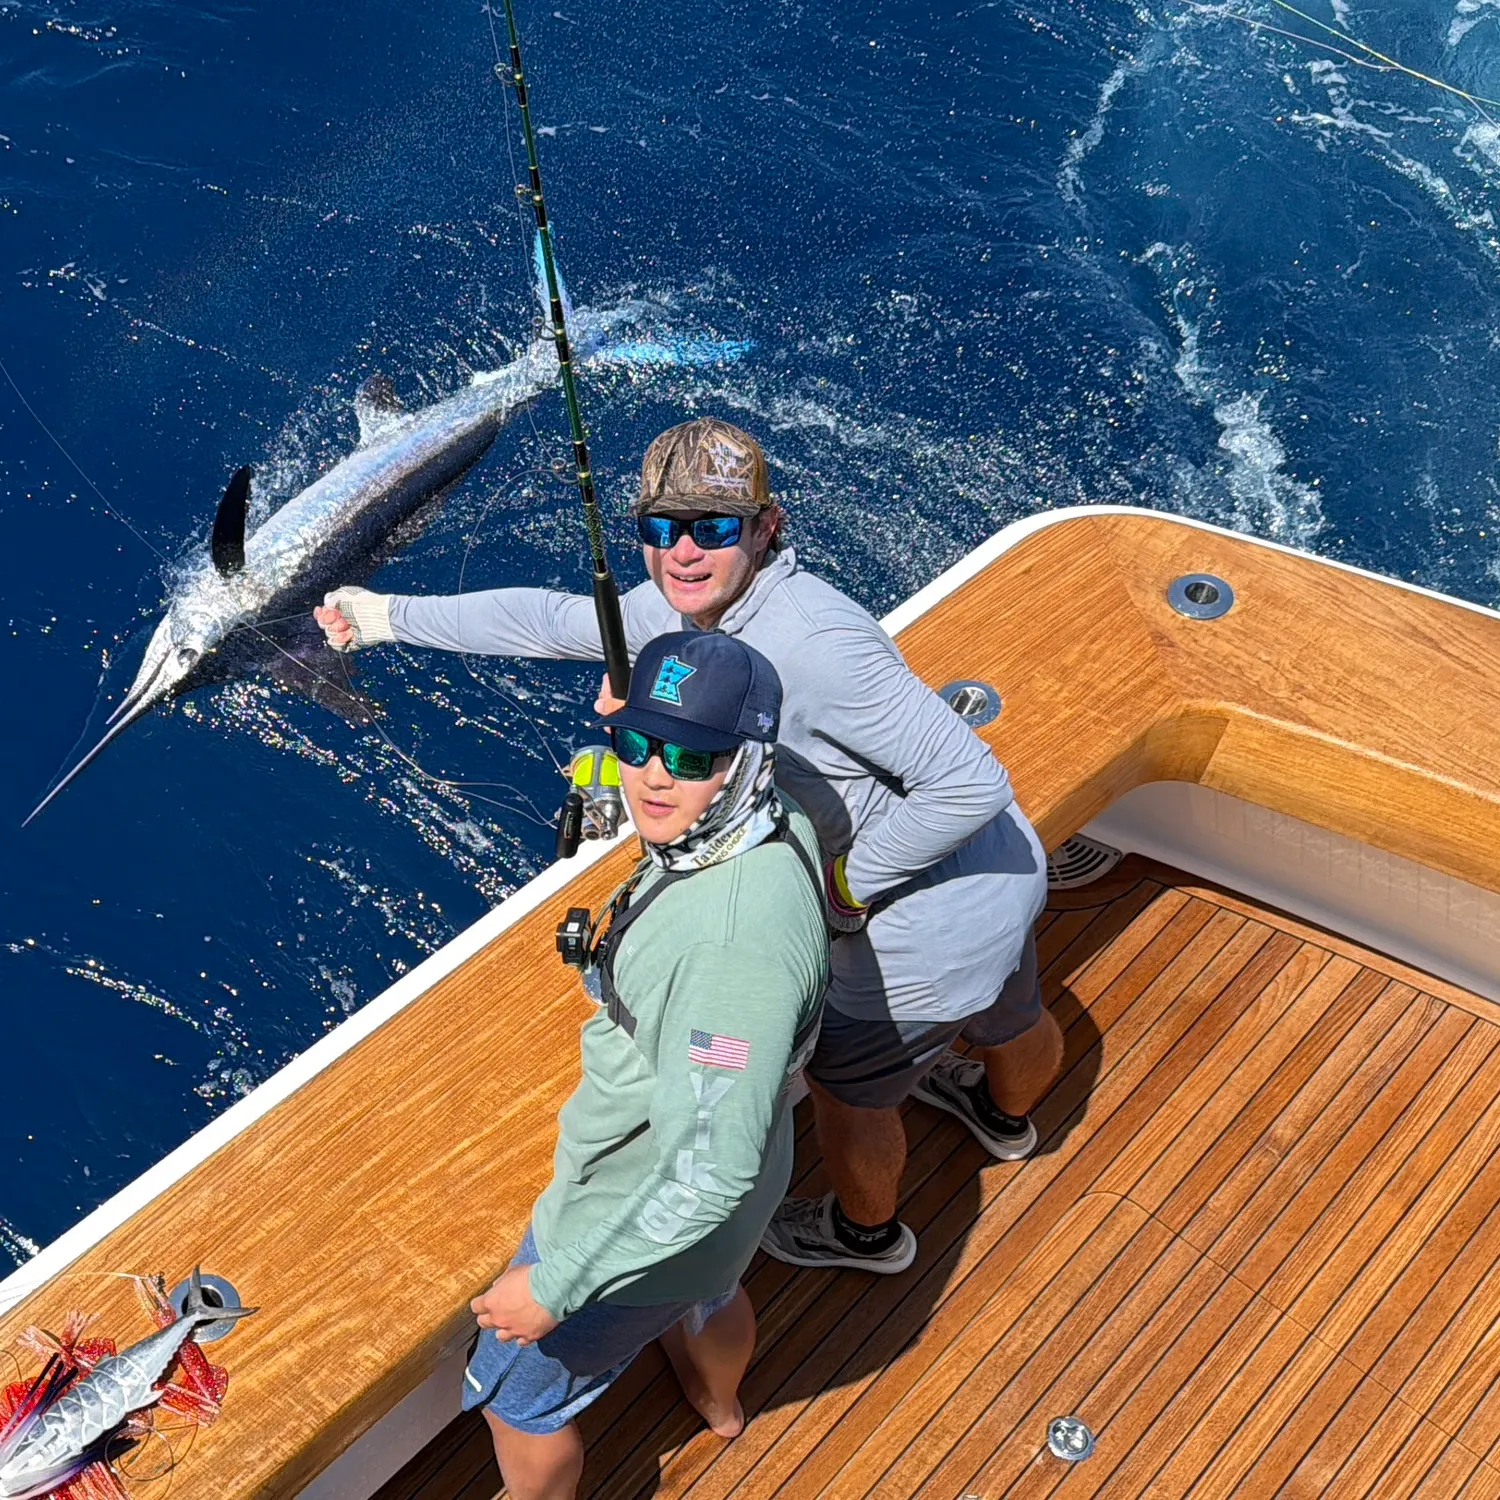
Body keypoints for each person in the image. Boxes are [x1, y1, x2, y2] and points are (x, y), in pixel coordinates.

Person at [315, 416, 1060, 1275]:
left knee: (850, 1097)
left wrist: (847, 888)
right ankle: (1007, 1120)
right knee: (1013, 1012)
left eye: (714, 528)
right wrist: (384, 617)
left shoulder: (814, 646)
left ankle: (869, 1236)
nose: (684, 553)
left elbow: (969, 784)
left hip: (918, 935)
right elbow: (551, 622)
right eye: (660, 529)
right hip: (1002, 875)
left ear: (767, 526)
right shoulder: (693, 604)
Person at [461, 629, 827, 1500]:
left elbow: (704, 1173)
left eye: (692, 755)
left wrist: (557, 1283)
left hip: (629, 1213)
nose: (654, 777)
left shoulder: (731, 950)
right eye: (637, 744)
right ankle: (719, 1402)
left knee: (520, 1406)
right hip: (722, 1218)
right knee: (712, 1290)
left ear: (743, 763)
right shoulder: (778, 819)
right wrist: (658, 725)